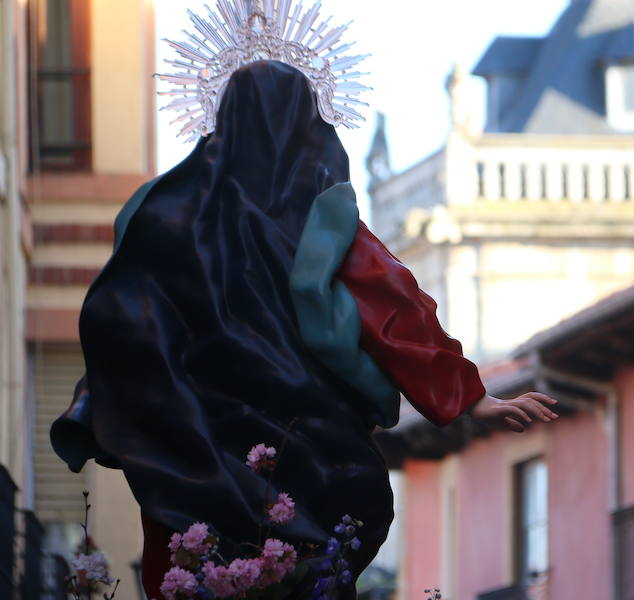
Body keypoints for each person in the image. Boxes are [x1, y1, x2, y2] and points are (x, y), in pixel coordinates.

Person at [49, 60, 558, 599]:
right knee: (308, 565)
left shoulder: (161, 213)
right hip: (307, 440)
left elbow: (123, 323)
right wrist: (463, 396)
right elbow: (390, 305)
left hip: (194, 441)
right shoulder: (320, 213)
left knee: (195, 558)